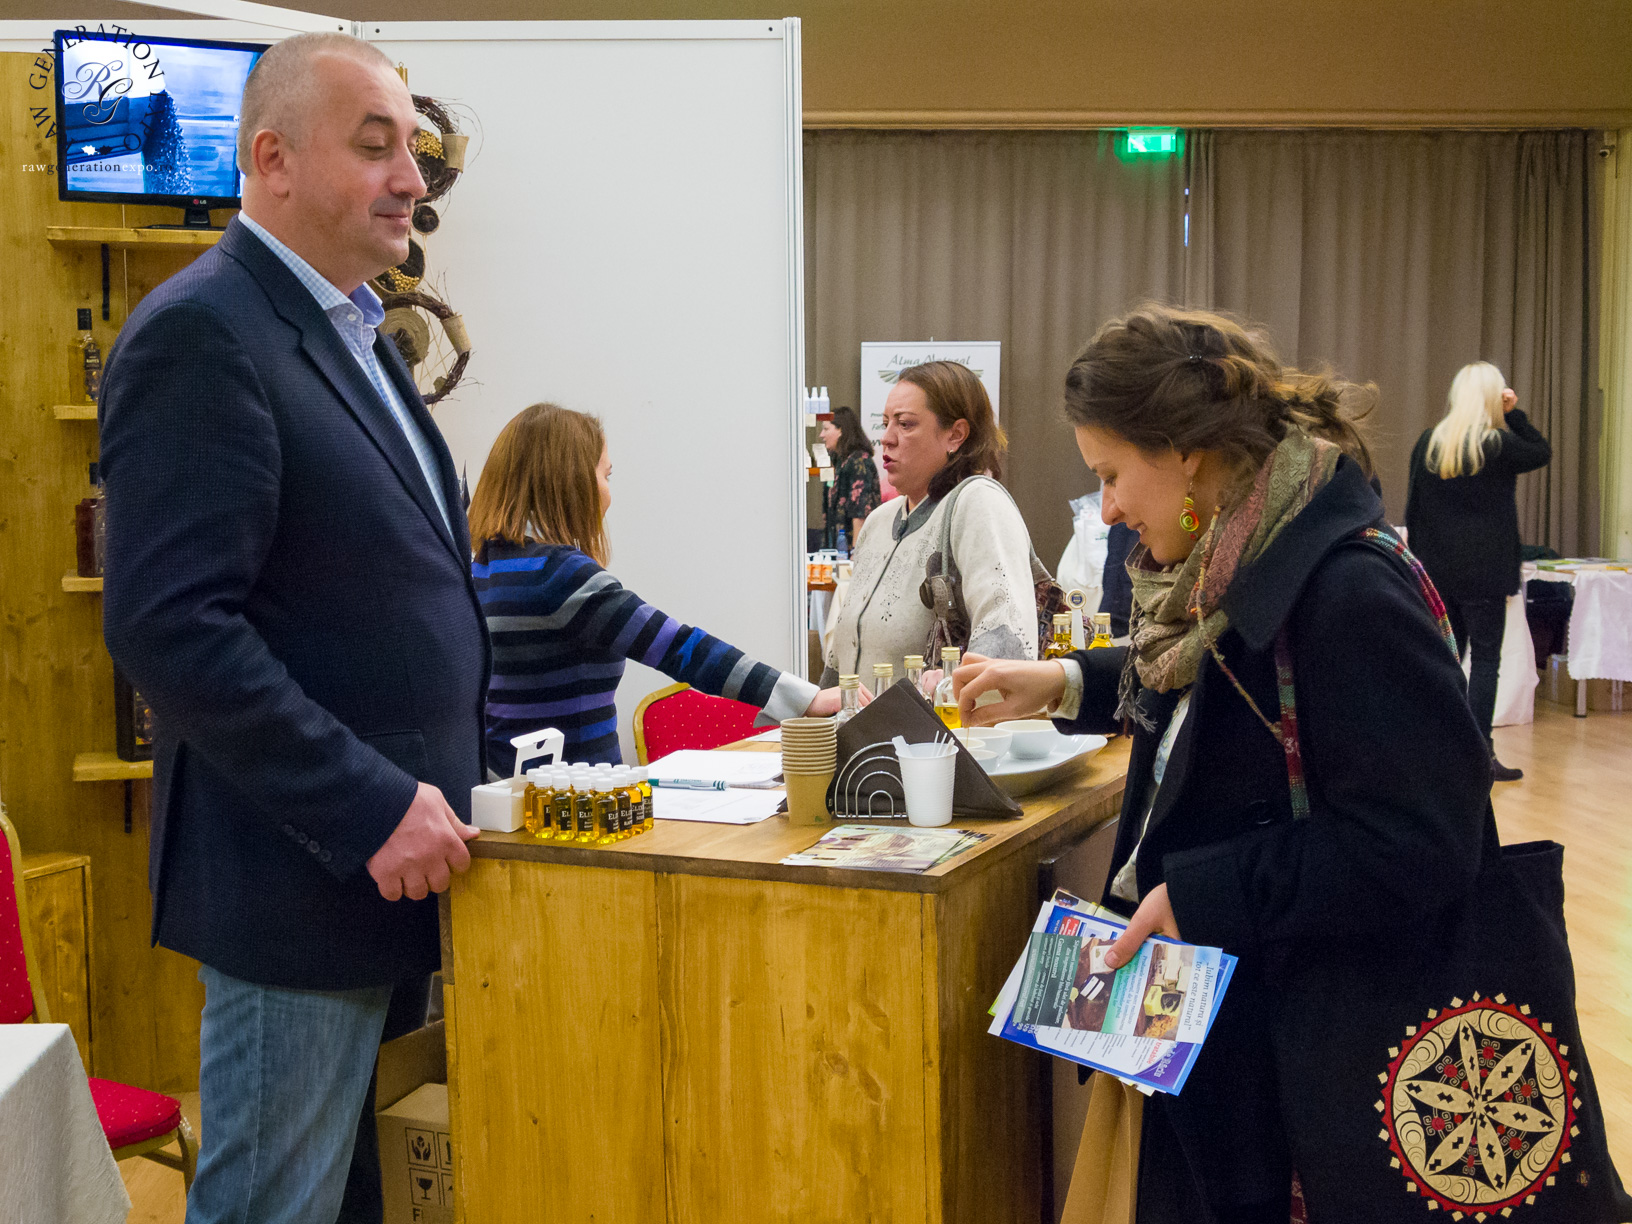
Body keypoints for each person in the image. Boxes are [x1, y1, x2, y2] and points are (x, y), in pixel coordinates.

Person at [952, 306, 1492, 1222]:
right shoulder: (1244, 568)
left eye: (1111, 475)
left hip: (1309, 1066)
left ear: (1188, 452)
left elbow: (1424, 842)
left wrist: (1204, 894)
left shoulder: (1347, 592)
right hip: (1238, 1037)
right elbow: (1208, 687)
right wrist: (1065, 680)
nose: (1108, 509)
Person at [99, 33, 483, 1224]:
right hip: (303, 884)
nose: (411, 179)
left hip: (405, 876)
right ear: (272, 159)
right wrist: (368, 805)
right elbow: (171, 628)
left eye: (412, 149)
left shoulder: (355, 332)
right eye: (375, 148)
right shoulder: (203, 332)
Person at [469, 404, 852, 773]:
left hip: (502, 793)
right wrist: (805, 699)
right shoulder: (561, 575)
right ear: (571, 483)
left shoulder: (480, 570)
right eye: (606, 476)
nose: (608, 494)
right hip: (576, 799)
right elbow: (679, 647)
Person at [823, 360, 1039, 684]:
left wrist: (954, 691)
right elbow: (840, 662)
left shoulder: (978, 503)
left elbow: (1006, 641)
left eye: (905, 424)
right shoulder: (878, 521)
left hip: (942, 719)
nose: (887, 439)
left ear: (956, 435)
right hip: (861, 718)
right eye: (885, 424)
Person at [1406, 362, 1552, 781]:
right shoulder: (1499, 445)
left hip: (1438, 572)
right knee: (1486, 661)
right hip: (1486, 573)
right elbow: (1540, 451)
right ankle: (1479, 755)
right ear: (1491, 398)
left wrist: (1418, 568)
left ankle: (1439, 752)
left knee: (1445, 661)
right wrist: (1513, 413)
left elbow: (1414, 510)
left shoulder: (1429, 443)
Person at [819, 405, 881, 552]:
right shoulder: (837, 460)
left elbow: (860, 513)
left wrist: (855, 553)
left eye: (826, 429)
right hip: (835, 546)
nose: (821, 435)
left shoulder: (859, 461)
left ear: (841, 430)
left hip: (852, 548)